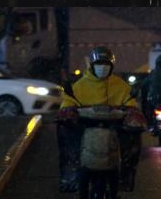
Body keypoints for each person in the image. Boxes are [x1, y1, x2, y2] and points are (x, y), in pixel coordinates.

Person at [56, 46, 145, 193]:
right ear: (92, 66)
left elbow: (130, 104)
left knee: (133, 139)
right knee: (66, 136)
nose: (102, 68)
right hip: (85, 129)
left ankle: (125, 177)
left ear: (111, 67)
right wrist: (68, 114)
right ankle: (71, 176)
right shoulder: (79, 86)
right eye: (98, 64)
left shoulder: (121, 86)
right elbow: (68, 103)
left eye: (106, 65)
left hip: (113, 130)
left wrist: (132, 116)